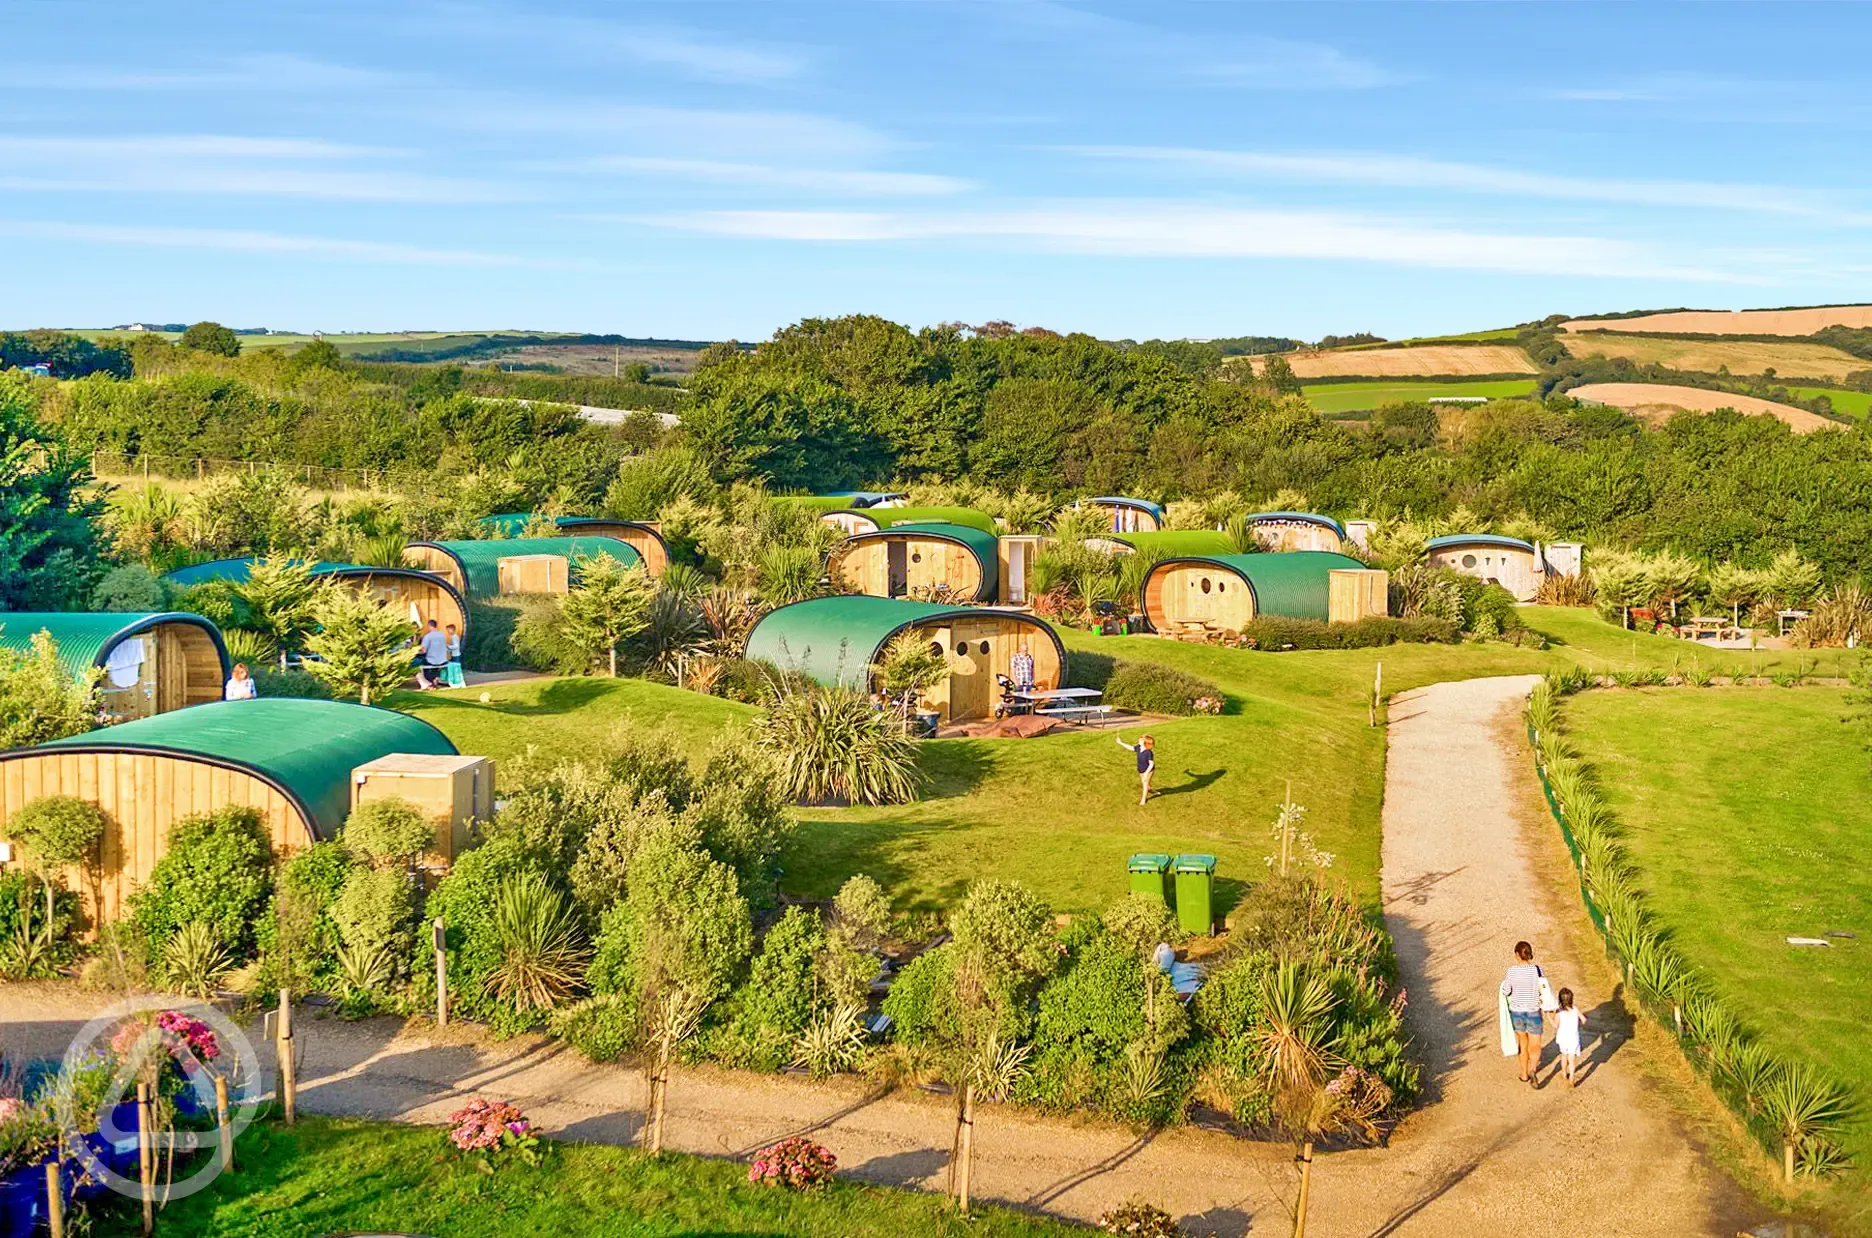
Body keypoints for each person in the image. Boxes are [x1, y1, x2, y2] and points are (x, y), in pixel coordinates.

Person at [1500, 940, 1547, 1085]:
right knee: (1535, 1045)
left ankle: (1524, 1074)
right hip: (1533, 1011)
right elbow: (1543, 989)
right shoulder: (1538, 970)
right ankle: (1533, 1068)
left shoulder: (1512, 971)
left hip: (1517, 1013)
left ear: (1517, 955)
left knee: (1522, 1043)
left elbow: (1506, 990)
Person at [1554, 987, 1586, 1087]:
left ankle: (1564, 1073)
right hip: (1574, 1039)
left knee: (1564, 1056)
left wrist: (1548, 1017)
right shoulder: (1575, 1009)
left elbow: (1556, 1025)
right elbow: (1584, 1020)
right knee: (1571, 1060)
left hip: (1563, 1039)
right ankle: (1572, 1078)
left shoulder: (1559, 1012)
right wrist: (1576, 1024)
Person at [1115, 733, 1155, 806]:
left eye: (1141, 739)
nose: (1139, 739)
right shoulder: (1139, 747)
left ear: (1145, 742)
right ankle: (1150, 789)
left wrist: (1146, 773)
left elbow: (1151, 764)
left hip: (1148, 770)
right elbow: (1131, 748)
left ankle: (1143, 800)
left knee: (1144, 783)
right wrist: (1121, 742)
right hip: (1140, 769)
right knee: (1145, 781)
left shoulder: (1149, 752)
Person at [418, 619, 450, 690]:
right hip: (443, 660)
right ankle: (436, 678)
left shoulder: (428, 636)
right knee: (435, 665)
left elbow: (423, 650)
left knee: (421, 663)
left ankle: (430, 681)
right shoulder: (442, 635)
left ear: (429, 626)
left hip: (432, 660)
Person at [444, 623, 465, 689]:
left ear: (452, 630)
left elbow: (456, 646)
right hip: (454, 655)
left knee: (456, 668)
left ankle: (460, 682)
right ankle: (456, 681)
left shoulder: (455, 637)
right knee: (454, 668)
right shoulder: (453, 637)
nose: (448, 632)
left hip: (456, 655)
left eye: (448, 630)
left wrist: (448, 646)